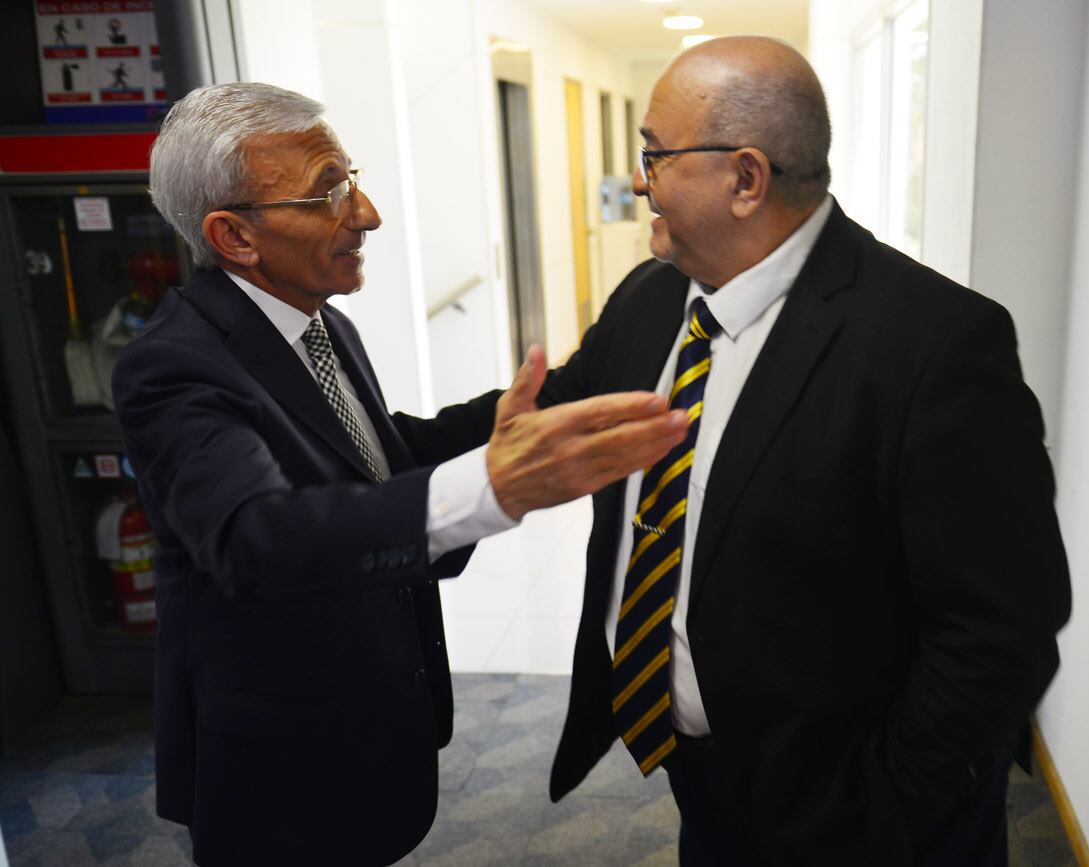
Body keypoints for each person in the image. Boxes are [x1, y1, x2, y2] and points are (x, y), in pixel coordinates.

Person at [111, 83, 687, 866]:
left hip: (366, 722)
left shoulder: (322, 322)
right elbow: (257, 537)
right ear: (235, 237)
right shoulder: (173, 367)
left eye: (354, 177)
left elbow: (375, 457)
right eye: (331, 193)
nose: (368, 213)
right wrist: (492, 488)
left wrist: (526, 414)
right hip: (280, 766)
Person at [539, 36, 1072, 865]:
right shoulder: (655, 296)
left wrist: (880, 810)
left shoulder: (934, 345)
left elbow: (1001, 628)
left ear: (745, 178)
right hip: (707, 782)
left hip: (863, 816)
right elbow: (551, 414)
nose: (639, 177)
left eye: (656, 153)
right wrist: (354, 448)